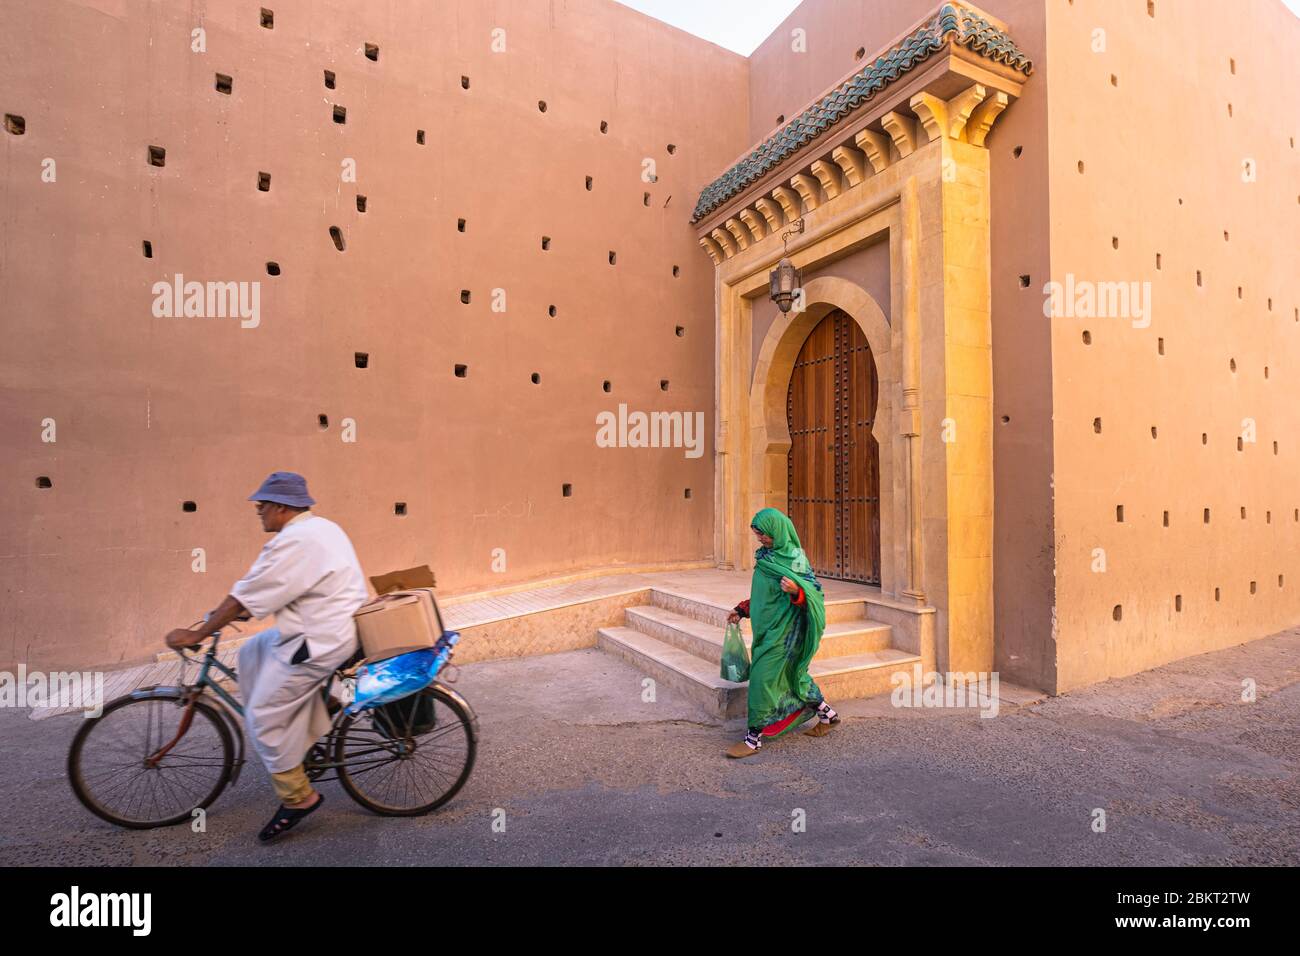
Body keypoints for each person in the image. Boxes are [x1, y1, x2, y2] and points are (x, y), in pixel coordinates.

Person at [164, 471, 368, 842]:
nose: (257, 511)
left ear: (280, 508)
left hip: (320, 640)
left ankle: (299, 798)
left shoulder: (295, 542)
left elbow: (249, 594)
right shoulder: (320, 528)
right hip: (322, 627)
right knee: (252, 651)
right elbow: (272, 589)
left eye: (262, 505)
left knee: (262, 714)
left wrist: (198, 633)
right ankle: (308, 715)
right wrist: (227, 614)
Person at [724, 507, 840, 758]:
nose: (761, 539)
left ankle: (752, 739)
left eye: (764, 534)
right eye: (758, 535)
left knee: (762, 679)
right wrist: (743, 609)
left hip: (787, 633)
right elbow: (764, 595)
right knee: (793, 676)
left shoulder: (796, 557)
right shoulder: (765, 557)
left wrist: (797, 590)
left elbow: (814, 593)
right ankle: (828, 716)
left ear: (777, 530)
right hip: (767, 629)